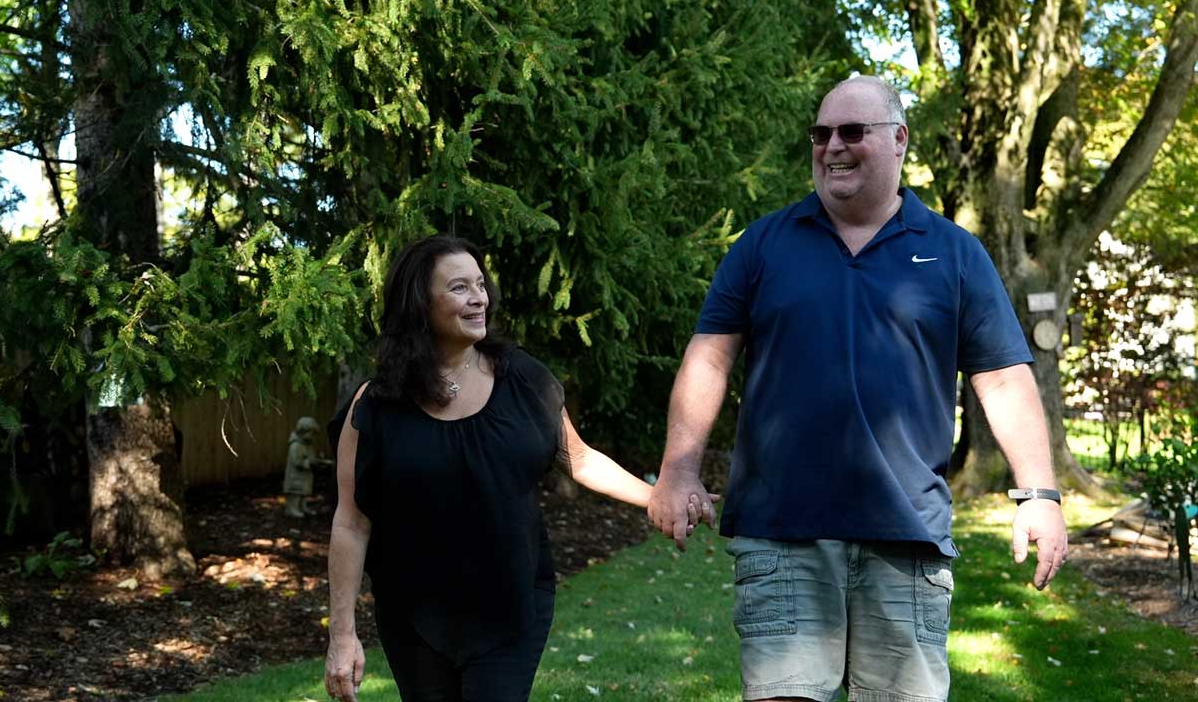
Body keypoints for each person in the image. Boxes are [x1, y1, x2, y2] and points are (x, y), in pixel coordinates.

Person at [648, 76, 1069, 702]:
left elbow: (1004, 377)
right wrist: (678, 470)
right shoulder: (764, 245)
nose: (832, 147)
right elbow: (710, 357)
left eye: (851, 131)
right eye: (821, 134)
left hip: (907, 536)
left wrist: (1038, 494)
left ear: (899, 140)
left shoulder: (955, 253)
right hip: (782, 532)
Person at [323, 235, 669, 702]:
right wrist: (342, 635)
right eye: (459, 287)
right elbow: (351, 522)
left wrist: (658, 497)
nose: (479, 298)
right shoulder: (377, 404)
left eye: (480, 285)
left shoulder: (522, 380)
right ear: (420, 303)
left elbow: (580, 459)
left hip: (511, 606)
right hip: (415, 619)